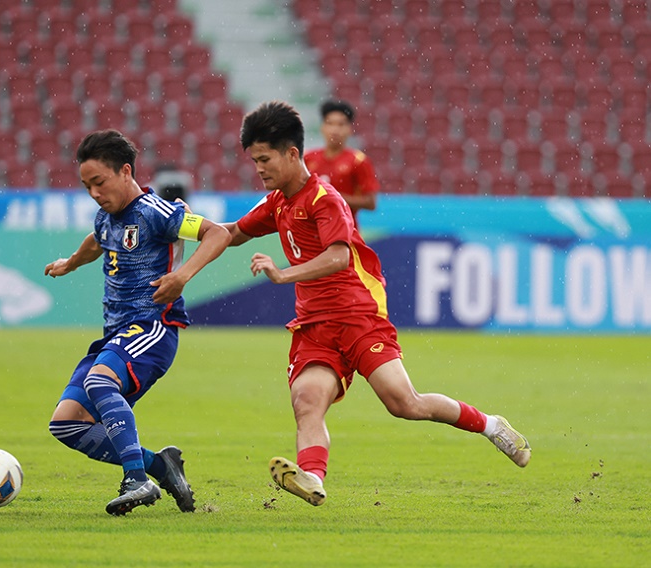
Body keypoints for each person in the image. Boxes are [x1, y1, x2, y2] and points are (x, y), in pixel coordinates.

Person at [223, 101, 531, 507]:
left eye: (264, 159)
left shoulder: (325, 197)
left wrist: (282, 274)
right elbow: (231, 232)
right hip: (314, 325)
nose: (259, 168)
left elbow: (338, 256)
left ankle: (491, 425)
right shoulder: (278, 201)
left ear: (291, 154)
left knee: (404, 403)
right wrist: (177, 225)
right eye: (255, 160)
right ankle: (312, 478)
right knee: (307, 401)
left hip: (357, 316)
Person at [44, 129, 231, 516]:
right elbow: (95, 241)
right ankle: (159, 466)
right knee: (67, 423)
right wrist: (70, 263)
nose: (94, 193)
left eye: (100, 182)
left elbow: (218, 234)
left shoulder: (156, 211)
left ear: (125, 171)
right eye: (86, 185)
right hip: (116, 335)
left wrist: (183, 276)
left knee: (99, 382)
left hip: (152, 327)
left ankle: (136, 480)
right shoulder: (106, 217)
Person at [304, 99, 378, 228]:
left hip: (346, 231)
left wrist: (334, 197)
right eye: (330, 123)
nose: (335, 130)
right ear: (322, 127)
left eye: (341, 124)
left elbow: (371, 203)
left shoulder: (358, 161)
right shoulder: (308, 158)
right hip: (312, 232)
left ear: (350, 129)